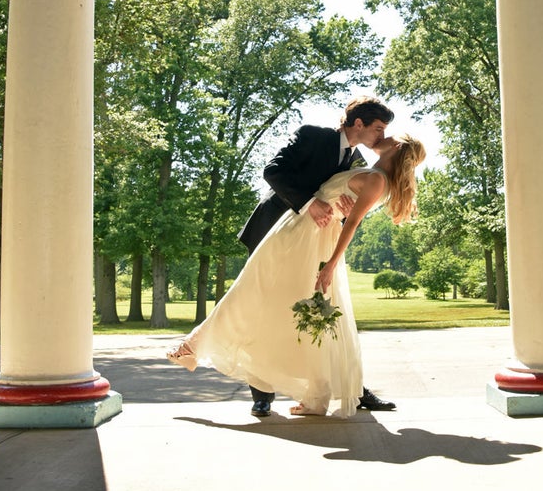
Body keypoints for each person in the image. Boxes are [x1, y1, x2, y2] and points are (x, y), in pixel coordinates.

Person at [167, 132, 426, 419]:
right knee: (282, 303)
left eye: (386, 132)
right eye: (378, 128)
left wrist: (330, 264)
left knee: (255, 293)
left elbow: (352, 224)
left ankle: (192, 346)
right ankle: (313, 395)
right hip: (303, 233)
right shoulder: (369, 170)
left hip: (303, 238)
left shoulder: (377, 178)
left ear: (398, 146)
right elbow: (320, 187)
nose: (382, 135)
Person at [238, 95, 395, 416]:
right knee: (268, 312)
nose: (381, 135)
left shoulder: (354, 161)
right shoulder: (312, 134)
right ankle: (262, 394)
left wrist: (340, 204)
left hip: (310, 244)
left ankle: (352, 388)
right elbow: (273, 172)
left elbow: (335, 193)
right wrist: (311, 203)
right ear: (359, 123)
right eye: (378, 128)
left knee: (325, 309)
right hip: (273, 233)